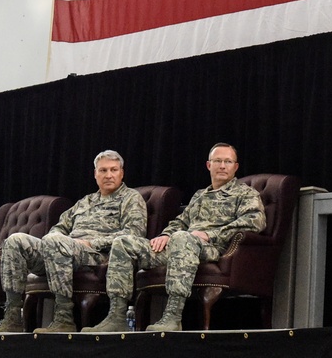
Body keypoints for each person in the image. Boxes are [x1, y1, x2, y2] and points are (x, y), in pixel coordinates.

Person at [83, 142, 266, 332]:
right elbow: (180, 222)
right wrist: (166, 235)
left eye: (227, 161)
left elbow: (254, 221)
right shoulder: (200, 196)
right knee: (123, 243)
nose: (222, 165)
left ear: (235, 167)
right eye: (217, 160)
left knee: (182, 238)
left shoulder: (245, 194)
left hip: (214, 249)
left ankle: (173, 316)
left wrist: (208, 234)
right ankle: (117, 316)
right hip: (182, 244)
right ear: (208, 165)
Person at [0, 150, 147, 334]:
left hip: (98, 256)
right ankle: (13, 316)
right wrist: (53, 242)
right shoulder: (85, 201)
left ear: (122, 173)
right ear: (95, 174)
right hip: (62, 250)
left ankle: (64, 317)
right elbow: (59, 228)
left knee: (56, 243)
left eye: (113, 170)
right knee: (15, 241)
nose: (108, 175)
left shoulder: (131, 198)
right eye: (103, 170)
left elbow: (133, 234)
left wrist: (91, 243)